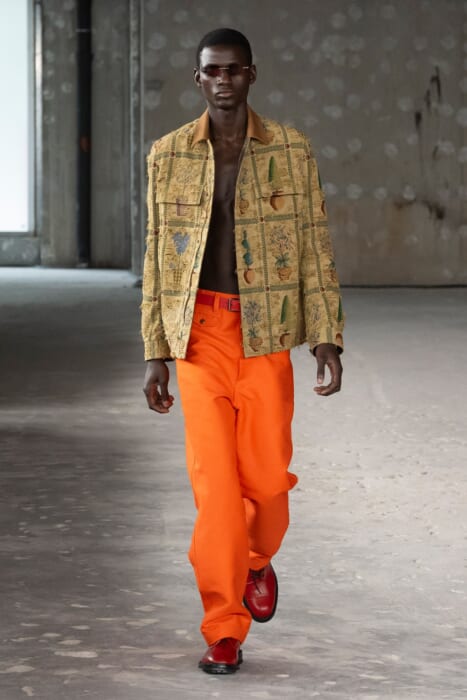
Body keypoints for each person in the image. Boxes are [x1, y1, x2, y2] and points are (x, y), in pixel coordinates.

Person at [141, 27, 344, 675]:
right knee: (217, 493)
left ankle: (257, 561)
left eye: (233, 69)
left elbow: (313, 243)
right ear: (198, 78)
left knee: (267, 482)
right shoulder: (169, 153)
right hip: (199, 336)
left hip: (266, 332)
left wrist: (326, 335)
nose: (222, 80)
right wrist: (155, 351)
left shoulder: (290, 149)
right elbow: (156, 256)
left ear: (251, 74)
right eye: (211, 70)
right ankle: (224, 626)